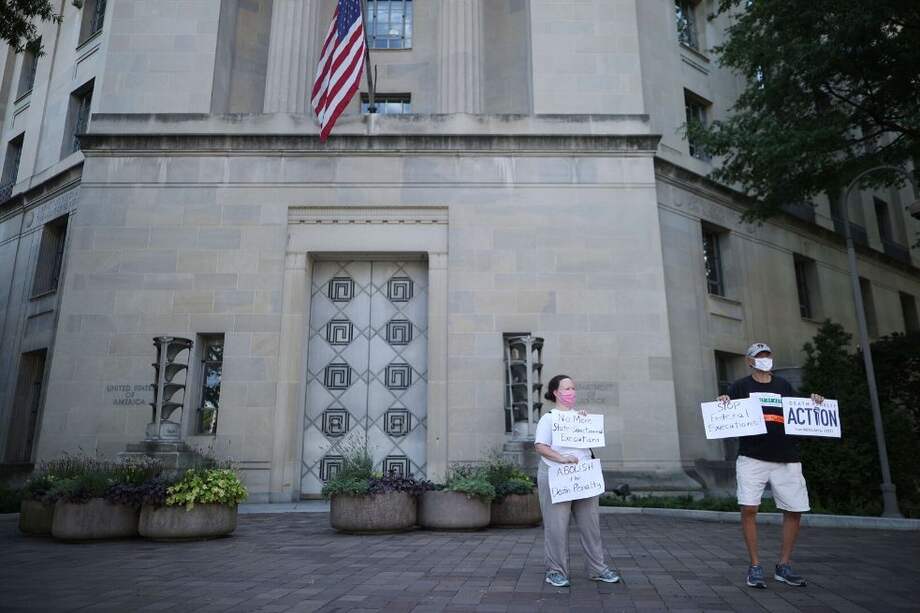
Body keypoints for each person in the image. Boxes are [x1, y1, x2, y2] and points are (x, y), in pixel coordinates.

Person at [717, 342, 824, 589]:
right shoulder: (740, 386)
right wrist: (723, 399)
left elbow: (800, 411)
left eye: (767, 355)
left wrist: (815, 401)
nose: (765, 359)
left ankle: (783, 565)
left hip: (786, 457)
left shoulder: (783, 386)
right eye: (759, 356)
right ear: (750, 361)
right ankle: (755, 566)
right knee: (749, 509)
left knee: (794, 510)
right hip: (752, 457)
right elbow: (726, 411)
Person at [534, 374, 620, 588]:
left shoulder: (579, 416)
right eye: (566, 388)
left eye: (573, 388)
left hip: (583, 477)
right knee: (556, 527)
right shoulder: (549, 418)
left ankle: (598, 569)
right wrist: (562, 458)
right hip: (557, 476)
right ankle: (556, 571)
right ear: (555, 392)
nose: (571, 392)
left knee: (591, 526)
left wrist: (585, 423)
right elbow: (540, 446)